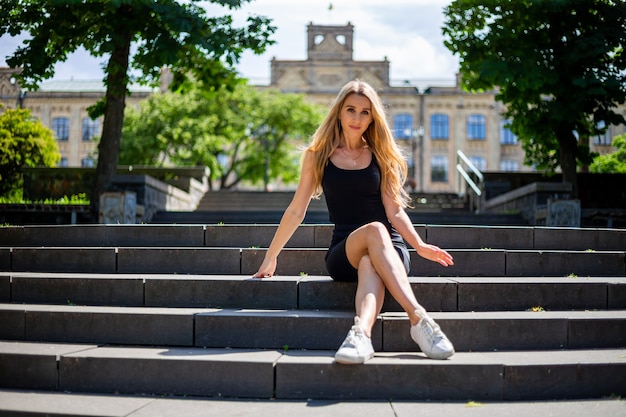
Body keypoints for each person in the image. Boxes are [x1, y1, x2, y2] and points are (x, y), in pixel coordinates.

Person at [253, 79, 455, 364]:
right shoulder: (317, 155)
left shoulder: (382, 156)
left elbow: (395, 211)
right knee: (374, 230)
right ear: (338, 112)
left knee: (372, 258)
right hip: (344, 250)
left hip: (390, 251)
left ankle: (360, 335)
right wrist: (271, 256)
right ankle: (419, 320)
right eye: (351, 110)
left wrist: (419, 245)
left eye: (365, 112)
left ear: (373, 117)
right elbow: (297, 209)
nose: (357, 118)